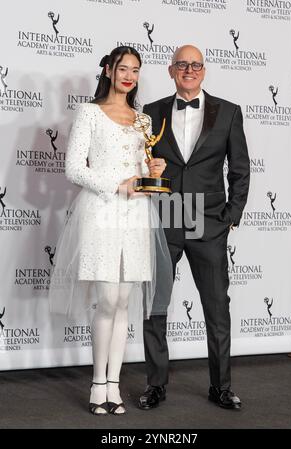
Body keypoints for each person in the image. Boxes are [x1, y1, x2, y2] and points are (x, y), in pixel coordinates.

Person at [48, 46, 172, 416]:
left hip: (135, 214)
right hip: (101, 210)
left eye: (135, 69)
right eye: (122, 68)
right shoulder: (88, 113)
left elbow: (142, 169)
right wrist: (116, 185)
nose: (129, 75)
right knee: (105, 300)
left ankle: (114, 385)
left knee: (123, 302)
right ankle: (97, 384)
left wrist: (155, 169)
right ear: (107, 70)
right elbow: (73, 168)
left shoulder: (143, 121)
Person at [139, 45, 250, 410]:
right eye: (182, 64)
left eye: (196, 65)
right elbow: (139, 163)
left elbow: (239, 169)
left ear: (204, 71)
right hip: (166, 218)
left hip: (209, 222)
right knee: (155, 308)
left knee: (217, 309)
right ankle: (155, 385)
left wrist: (231, 216)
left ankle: (221, 386)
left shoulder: (229, 112)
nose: (189, 70)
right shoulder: (151, 112)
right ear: (171, 70)